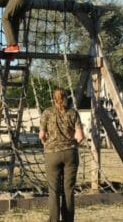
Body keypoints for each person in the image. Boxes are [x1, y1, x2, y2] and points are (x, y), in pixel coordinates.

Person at [39, 88, 84, 222]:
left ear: (53, 98)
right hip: (70, 153)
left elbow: (42, 134)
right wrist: (74, 144)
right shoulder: (73, 113)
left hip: (52, 154)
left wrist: (45, 143)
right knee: (68, 190)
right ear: (66, 98)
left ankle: (53, 220)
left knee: (53, 190)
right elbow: (80, 137)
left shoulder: (47, 112)